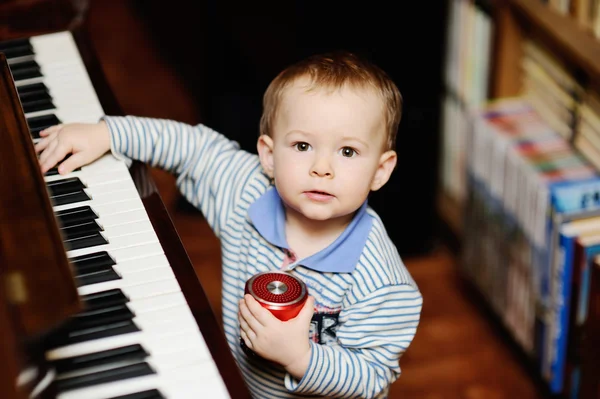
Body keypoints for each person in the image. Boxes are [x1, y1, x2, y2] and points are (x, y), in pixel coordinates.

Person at [35, 51, 423, 399]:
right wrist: (108, 133)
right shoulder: (247, 191)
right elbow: (193, 149)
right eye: (302, 146)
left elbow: (371, 376)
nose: (322, 168)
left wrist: (301, 357)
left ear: (380, 170)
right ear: (268, 156)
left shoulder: (382, 282)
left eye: (348, 151)